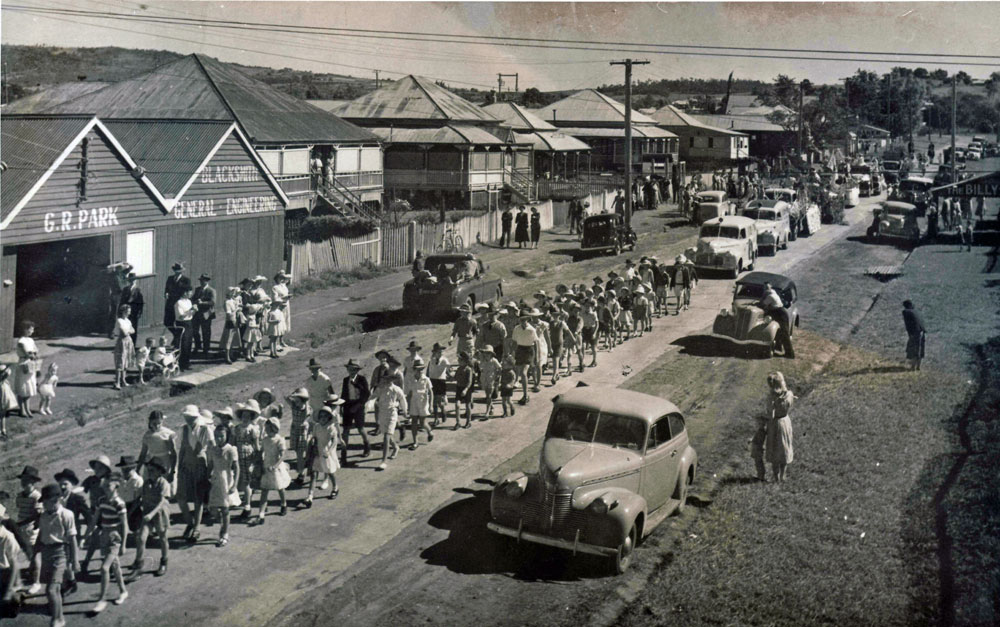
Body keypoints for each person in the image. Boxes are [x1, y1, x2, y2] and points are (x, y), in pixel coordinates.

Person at [36, 483, 79, 627]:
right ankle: (59, 617)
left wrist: (75, 560)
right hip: (46, 553)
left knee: (51, 589)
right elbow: (41, 535)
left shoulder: (66, 515)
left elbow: (72, 539)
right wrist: (35, 554)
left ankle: (56, 619)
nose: (43, 505)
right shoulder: (43, 516)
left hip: (60, 553)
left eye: (45, 502)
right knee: (53, 589)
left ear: (55, 500)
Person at [90, 471, 128, 614]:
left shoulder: (120, 504)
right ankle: (123, 591)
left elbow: (125, 525)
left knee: (105, 568)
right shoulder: (101, 500)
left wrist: (123, 544)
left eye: (108, 485)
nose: (105, 487)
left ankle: (101, 599)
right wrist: (85, 536)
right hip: (104, 536)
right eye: (104, 485)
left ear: (116, 485)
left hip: (114, 538)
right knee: (115, 565)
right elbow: (95, 519)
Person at [126, 458, 170, 580]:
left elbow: (162, 502)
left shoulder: (164, 483)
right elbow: (139, 499)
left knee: (163, 538)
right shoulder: (146, 483)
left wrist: (151, 514)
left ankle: (164, 562)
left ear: (160, 471)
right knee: (141, 538)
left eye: (152, 470)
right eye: (148, 470)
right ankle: (139, 566)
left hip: (160, 515)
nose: (150, 473)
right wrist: (129, 513)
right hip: (147, 514)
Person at [176, 405, 211, 542]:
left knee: (198, 498)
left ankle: (196, 527)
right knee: (180, 497)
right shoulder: (183, 429)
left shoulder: (204, 429)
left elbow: (207, 447)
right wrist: (179, 466)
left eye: (191, 417)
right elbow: (182, 448)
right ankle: (189, 522)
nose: (189, 419)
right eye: (187, 417)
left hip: (199, 465)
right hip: (185, 465)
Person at [207, 424, 240, 547]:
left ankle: (225, 533)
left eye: (221, 436)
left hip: (227, 480)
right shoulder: (213, 449)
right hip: (216, 480)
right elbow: (210, 464)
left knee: (225, 508)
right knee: (213, 508)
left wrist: (234, 485)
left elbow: (237, 468)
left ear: (227, 436)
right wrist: (207, 477)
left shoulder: (231, 449)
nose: (218, 439)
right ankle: (222, 523)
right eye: (216, 436)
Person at [303, 405, 340, 507]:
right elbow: (314, 437)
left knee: (330, 472)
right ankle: (310, 496)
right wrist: (311, 441)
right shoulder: (316, 426)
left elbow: (334, 441)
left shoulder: (331, 428)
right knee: (313, 474)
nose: (323, 418)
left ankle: (335, 487)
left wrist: (329, 451)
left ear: (329, 417)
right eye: (321, 416)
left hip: (326, 453)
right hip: (317, 452)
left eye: (325, 416)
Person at [255, 417, 291, 523]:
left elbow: (282, 455)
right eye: (266, 428)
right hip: (266, 466)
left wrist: (275, 465)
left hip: (276, 468)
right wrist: (258, 462)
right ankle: (261, 514)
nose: (266, 430)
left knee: (280, 488)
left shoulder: (279, 440)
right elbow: (261, 451)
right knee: (264, 490)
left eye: (268, 428)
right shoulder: (265, 440)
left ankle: (283, 504)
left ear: (274, 428)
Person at [15, 465, 43, 594]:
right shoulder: (19, 496)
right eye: (23, 479)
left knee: (34, 555)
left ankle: (36, 583)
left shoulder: (37, 496)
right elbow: (20, 510)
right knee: (26, 553)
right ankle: (30, 573)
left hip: (32, 529)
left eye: (27, 480)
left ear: (33, 482)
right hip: (21, 528)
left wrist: (22, 523)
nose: (24, 482)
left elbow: (37, 515)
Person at [232, 402, 262, 521]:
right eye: (243, 416)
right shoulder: (236, 428)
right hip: (238, 454)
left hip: (248, 455)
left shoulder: (253, 429)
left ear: (251, 417)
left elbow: (256, 445)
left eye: (248, 416)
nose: (245, 418)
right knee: (242, 479)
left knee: (246, 481)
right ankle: (246, 500)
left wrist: (257, 459)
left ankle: (247, 506)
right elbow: (232, 442)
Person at [764, 372, 795, 482]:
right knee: (784, 448)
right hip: (785, 421)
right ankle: (783, 475)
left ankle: (776, 477)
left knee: (775, 450)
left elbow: (771, 414)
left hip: (775, 424)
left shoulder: (771, 398)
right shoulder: (789, 395)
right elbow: (790, 404)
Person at [339, 359, 371, 465]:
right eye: (350, 369)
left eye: (354, 369)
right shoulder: (345, 380)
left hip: (359, 406)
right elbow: (343, 394)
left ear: (357, 370)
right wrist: (341, 407)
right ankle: (343, 455)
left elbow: (366, 394)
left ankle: (367, 446)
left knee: (360, 428)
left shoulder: (362, 379)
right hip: (348, 405)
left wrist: (358, 406)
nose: (351, 371)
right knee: (345, 430)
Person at [375, 365, 406, 470]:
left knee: (386, 437)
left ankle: (383, 461)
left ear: (392, 379)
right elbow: (373, 397)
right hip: (382, 413)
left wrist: (405, 411)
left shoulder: (396, 389)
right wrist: (369, 404)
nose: (387, 381)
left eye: (389, 379)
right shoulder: (380, 388)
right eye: (385, 379)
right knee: (386, 433)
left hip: (392, 414)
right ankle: (396, 447)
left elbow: (402, 400)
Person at [759, 283, 795, 358]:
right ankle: (782, 349)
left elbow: (762, 304)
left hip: (780, 313)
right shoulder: (774, 293)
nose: (765, 289)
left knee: (785, 334)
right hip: (780, 312)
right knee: (782, 332)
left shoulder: (770, 296)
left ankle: (790, 354)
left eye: (766, 288)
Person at [511, 310, 539, 405]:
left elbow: (536, 343)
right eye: (521, 319)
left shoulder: (532, 329)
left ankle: (525, 395)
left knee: (523, 373)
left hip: (529, 351)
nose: (523, 321)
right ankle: (526, 393)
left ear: (528, 319)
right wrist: (511, 353)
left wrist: (536, 356)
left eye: (524, 319)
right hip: (519, 350)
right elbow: (514, 342)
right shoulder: (516, 328)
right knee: (519, 372)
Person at [406, 358, 435, 447]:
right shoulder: (411, 379)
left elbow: (431, 392)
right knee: (414, 422)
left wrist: (431, 405)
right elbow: (409, 394)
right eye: (418, 369)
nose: (420, 371)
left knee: (422, 423)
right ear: (414, 370)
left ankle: (430, 432)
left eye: (422, 369)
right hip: (414, 403)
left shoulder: (426, 379)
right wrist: (407, 406)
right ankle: (415, 442)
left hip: (423, 403)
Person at [14, 320, 39, 417]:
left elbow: (35, 350)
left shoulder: (31, 340)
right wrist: (32, 354)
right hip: (23, 364)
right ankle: (22, 410)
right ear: (25, 329)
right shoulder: (21, 341)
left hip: (30, 364)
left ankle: (27, 409)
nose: (32, 331)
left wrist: (34, 354)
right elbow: (28, 353)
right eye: (31, 329)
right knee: (23, 388)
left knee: (29, 388)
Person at [191, 274, 216, 357]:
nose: (201, 282)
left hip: (206, 314)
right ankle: (197, 346)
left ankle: (206, 349)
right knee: (195, 331)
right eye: (201, 280)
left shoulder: (211, 290)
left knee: (206, 332)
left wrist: (202, 303)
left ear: (207, 281)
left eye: (203, 280)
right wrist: (194, 302)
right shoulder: (197, 289)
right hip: (197, 313)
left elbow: (212, 302)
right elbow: (193, 299)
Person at [112, 304, 136, 390]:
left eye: (129, 311)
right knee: (120, 362)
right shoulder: (119, 321)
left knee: (126, 362)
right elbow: (124, 333)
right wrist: (129, 331)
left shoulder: (128, 321)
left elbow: (133, 330)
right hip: (122, 342)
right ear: (123, 311)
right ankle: (117, 383)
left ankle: (123, 380)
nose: (129, 313)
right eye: (127, 311)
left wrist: (128, 331)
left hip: (128, 341)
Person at [426, 344, 450, 427]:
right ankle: (436, 419)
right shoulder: (431, 359)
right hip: (433, 381)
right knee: (433, 401)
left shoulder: (444, 360)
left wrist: (449, 373)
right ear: (434, 352)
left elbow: (448, 367)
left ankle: (443, 411)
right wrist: (427, 377)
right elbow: (429, 369)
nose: (440, 353)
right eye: (438, 352)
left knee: (439, 401)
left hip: (441, 381)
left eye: (441, 352)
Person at [163, 262, 189, 335]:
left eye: (179, 272)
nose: (178, 273)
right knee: (167, 322)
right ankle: (176, 335)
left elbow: (187, 292)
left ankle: (179, 337)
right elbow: (166, 289)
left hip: (180, 304)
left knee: (179, 322)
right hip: (170, 303)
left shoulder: (186, 280)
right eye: (176, 271)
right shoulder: (170, 278)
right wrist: (166, 293)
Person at [119, 272, 144, 346]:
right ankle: (126, 343)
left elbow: (141, 302)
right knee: (125, 327)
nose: (132, 281)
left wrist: (140, 312)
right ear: (128, 280)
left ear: (136, 280)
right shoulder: (125, 289)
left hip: (134, 311)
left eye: (134, 280)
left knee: (133, 327)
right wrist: (120, 311)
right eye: (131, 280)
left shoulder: (138, 290)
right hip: (126, 311)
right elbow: (122, 301)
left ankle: (133, 344)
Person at [174, 288, 196, 370]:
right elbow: (181, 316)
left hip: (189, 323)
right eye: (189, 292)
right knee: (183, 343)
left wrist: (194, 310)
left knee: (189, 343)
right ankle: (181, 363)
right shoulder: (178, 303)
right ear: (184, 292)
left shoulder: (189, 301)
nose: (191, 293)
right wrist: (191, 310)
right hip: (182, 324)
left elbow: (191, 315)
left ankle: (186, 362)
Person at [902, 300, 927, 371]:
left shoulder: (906, 312)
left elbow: (908, 324)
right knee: (920, 349)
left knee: (913, 349)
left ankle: (913, 367)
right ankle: (918, 367)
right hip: (922, 331)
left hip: (915, 332)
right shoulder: (916, 311)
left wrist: (910, 334)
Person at [477, 346, 502, 417]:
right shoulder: (482, 361)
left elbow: (500, 368)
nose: (486, 354)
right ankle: (491, 407)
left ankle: (487, 412)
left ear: (491, 354)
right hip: (484, 379)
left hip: (491, 380)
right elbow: (480, 368)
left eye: (488, 353)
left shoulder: (494, 361)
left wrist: (498, 377)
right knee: (487, 395)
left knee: (489, 396)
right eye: (485, 353)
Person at [271, 271, 292, 344]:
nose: (281, 279)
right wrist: (283, 298)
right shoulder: (275, 287)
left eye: (282, 278)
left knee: (285, 320)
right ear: (276, 279)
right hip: (279, 306)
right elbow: (275, 298)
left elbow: (290, 276)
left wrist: (288, 297)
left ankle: (281, 340)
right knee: (279, 321)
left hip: (286, 305)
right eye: (279, 278)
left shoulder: (284, 286)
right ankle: (275, 341)